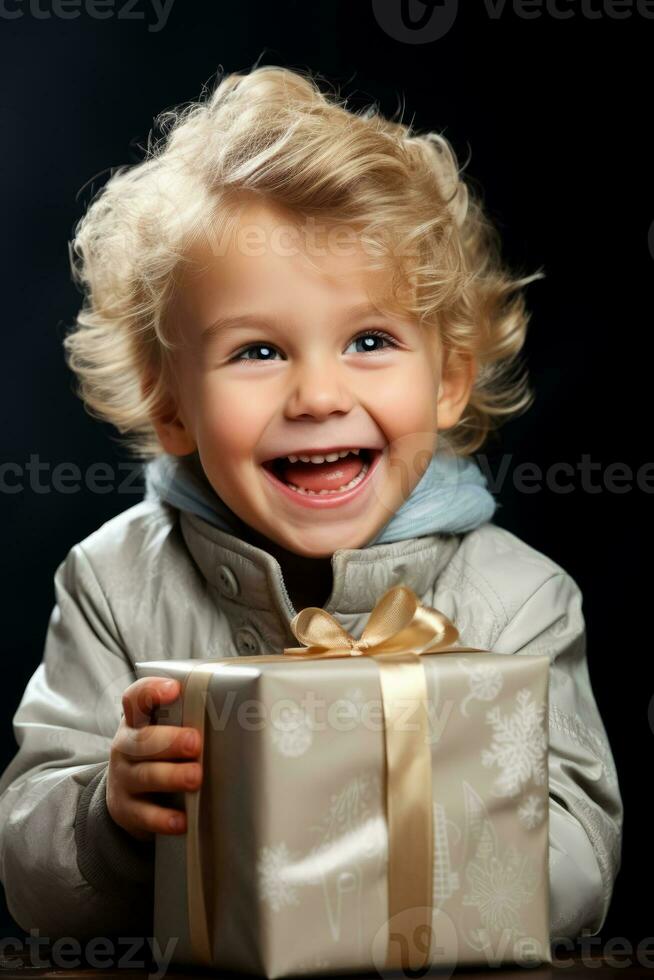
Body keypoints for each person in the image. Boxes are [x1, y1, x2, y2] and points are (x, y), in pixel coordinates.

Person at [0, 64, 622, 949]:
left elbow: (583, 875)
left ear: (447, 380)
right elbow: (40, 893)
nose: (320, 395)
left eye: (371, 340)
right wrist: (110, 818)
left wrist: (430, 815)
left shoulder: (521, 599)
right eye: (257, 351)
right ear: (169, 401)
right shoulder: (113, 584)